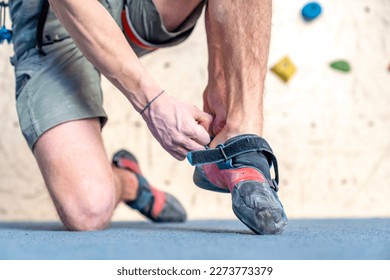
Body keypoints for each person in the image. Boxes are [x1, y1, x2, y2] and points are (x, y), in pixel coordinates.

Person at [9, 0, 287, 234]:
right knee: (87, 211)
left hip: (130, 6)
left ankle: (243, 145)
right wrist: (153, 103)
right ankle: (129, 182)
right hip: (53, 25)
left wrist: (220, 79)